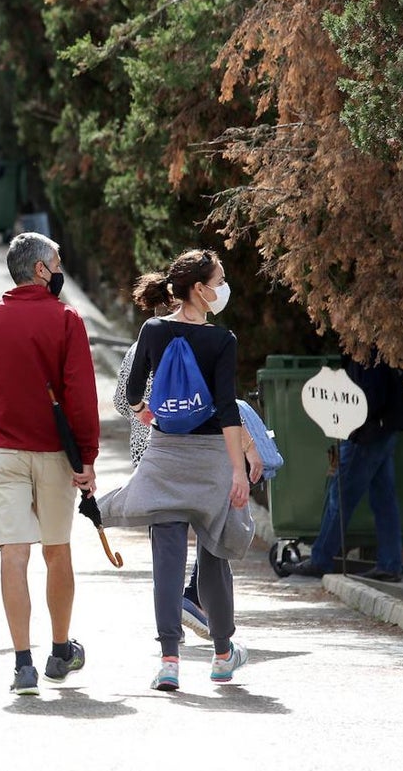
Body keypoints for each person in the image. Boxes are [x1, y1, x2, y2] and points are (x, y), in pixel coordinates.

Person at [97, 248, 257, 693]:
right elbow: (226, 410)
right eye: (219, 279)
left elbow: (130, 391)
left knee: (167, 561)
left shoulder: (152, 330)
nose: (224, 287)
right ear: (200, 290)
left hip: (165, 454)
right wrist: (238, 470)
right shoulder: (223, 341)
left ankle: (169, 661)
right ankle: (222, 655)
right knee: (214, 557)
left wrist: (147, 413)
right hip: (210, 461)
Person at [0, 234, 96, 695]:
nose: (60, 269)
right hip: (55, 453)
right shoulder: (66, 320)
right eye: (57, 262)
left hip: (2, 449)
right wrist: (88, 457)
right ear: (41, 270)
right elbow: (79, 395)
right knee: (56, 549)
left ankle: (23, 663)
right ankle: (60, 650)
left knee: (13, 553)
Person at [112, 342, 265, 641]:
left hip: (148, 458)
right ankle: (194, 597)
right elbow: (218, 405)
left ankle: (170, 626)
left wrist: (143, 412)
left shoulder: (137, 350)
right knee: (209, 528)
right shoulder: (199, 346)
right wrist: (246, 445)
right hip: (191, 453)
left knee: (165, 546)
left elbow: (121, 402)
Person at [285, 353, 403, 582]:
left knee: (340, 495)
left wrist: (350, 426)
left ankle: (321, 558)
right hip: (385, 427)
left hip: (366, 433)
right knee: (384, 499)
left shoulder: (367, 348)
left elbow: (370, 396)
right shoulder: (380, 344)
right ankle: (390, 563)